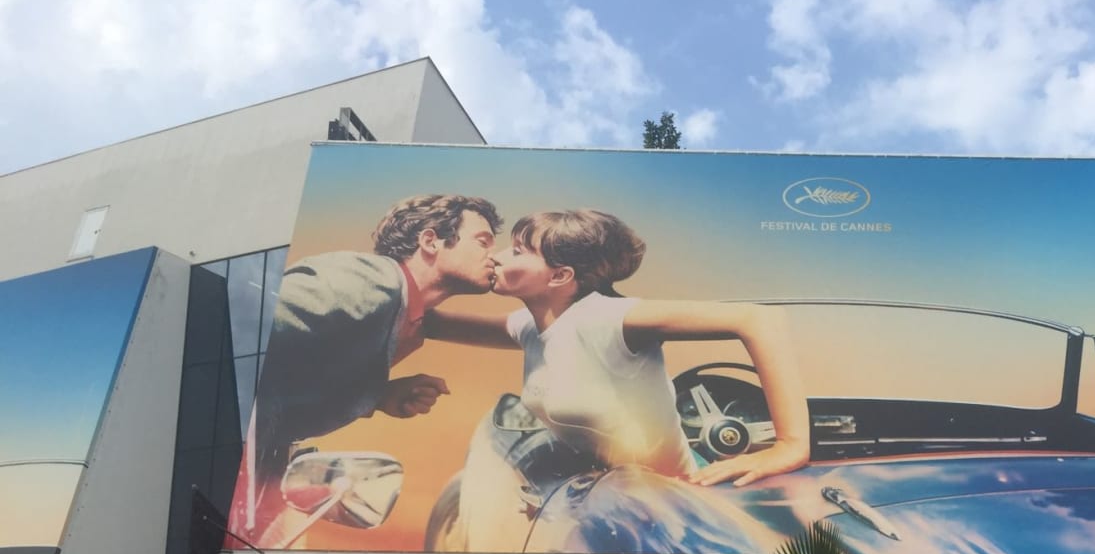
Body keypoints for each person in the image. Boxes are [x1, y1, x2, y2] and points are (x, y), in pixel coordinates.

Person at [430, 207, 811, 489]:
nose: (497, 256)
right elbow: (430, 321)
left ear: (560, 275)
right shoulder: (529, 326)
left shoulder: (608, 317)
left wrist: (790, 446)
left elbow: (760, 319)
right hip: (606, 500)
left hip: (681, 504)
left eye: (518, 251)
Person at [243, 193, 503, 513]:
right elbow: (253, 328)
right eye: (483, 242)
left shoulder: (406, 309)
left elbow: (293, 371)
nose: (497, 256)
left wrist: (377, 395)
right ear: (431, 241)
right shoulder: (373, 280)